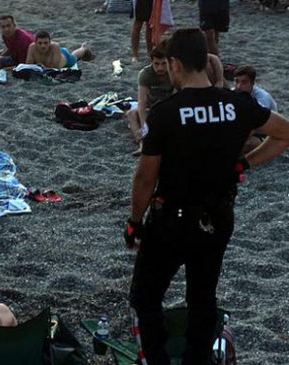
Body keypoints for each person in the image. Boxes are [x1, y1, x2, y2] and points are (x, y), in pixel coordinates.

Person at [124, 28, 289, 365]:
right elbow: (284, 133)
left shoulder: (167, 112)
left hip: (172, 219)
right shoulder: (238, 105)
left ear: (176, 64)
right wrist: (244, 163)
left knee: (145, 296)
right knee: (202, 296)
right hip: (218, 217)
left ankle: (156, 359)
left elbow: (145, 178)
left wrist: (134, 222)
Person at [126, 45, 174, 155]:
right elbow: (141, 104)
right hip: (151, 109)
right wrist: (145, 128)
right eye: (156, 64)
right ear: (151, 62)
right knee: (131, 114)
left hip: (168, 109)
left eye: (163, 64)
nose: (160, 68)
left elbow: (176, 98)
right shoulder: (145, 74)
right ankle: (143, 145)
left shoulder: (174, 73)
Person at [233, 65, 278, 152]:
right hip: (247, 127)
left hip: (266, 134)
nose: (238, 86)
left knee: (244, 144)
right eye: (236, 81)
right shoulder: (234, 92)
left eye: (244, 82)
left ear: (253, 83)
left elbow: (252, 127)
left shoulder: (262, 98)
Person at [25, 30, 93, 69]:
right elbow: (28, 64)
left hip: (65, 57)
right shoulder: (32, 47)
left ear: (50, 43)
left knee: (74, 57)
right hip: (56, 55)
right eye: (40, 43)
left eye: (45, 43)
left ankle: (83, 48)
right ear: (35, 43)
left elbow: (54, 67)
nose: (43, 46)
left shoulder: (54, 46)